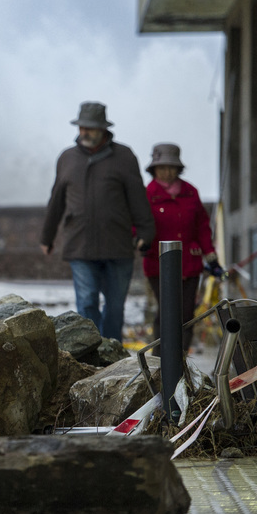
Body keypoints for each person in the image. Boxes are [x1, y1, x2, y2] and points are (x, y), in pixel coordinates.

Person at [40, 101, 155, 341]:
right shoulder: (67, 158)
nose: (84, 132)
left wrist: (146, 231)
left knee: (115, 306)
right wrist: (47, 237)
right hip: (79, 244)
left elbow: (137, 196)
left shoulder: (124, 156)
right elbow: (56, 200)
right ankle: (91, 354)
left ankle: (111, 354)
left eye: (90, 128)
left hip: (117, 244)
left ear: (103, 129)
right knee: (87, 300)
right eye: (82, 127)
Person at [142, 143, 223, 355]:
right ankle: (159, 362)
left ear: (178, 169)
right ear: (154, 169)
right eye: (162, 167)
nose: (166, 172)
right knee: (167, 312)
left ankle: (180, 359)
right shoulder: (147, 194)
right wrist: (141, 241)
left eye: (171, 167)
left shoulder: (190, 192)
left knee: (187, 314)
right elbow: (139, 225)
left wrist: (210, 255)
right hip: (158, 264)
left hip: (189, 263)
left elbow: (202, 227)